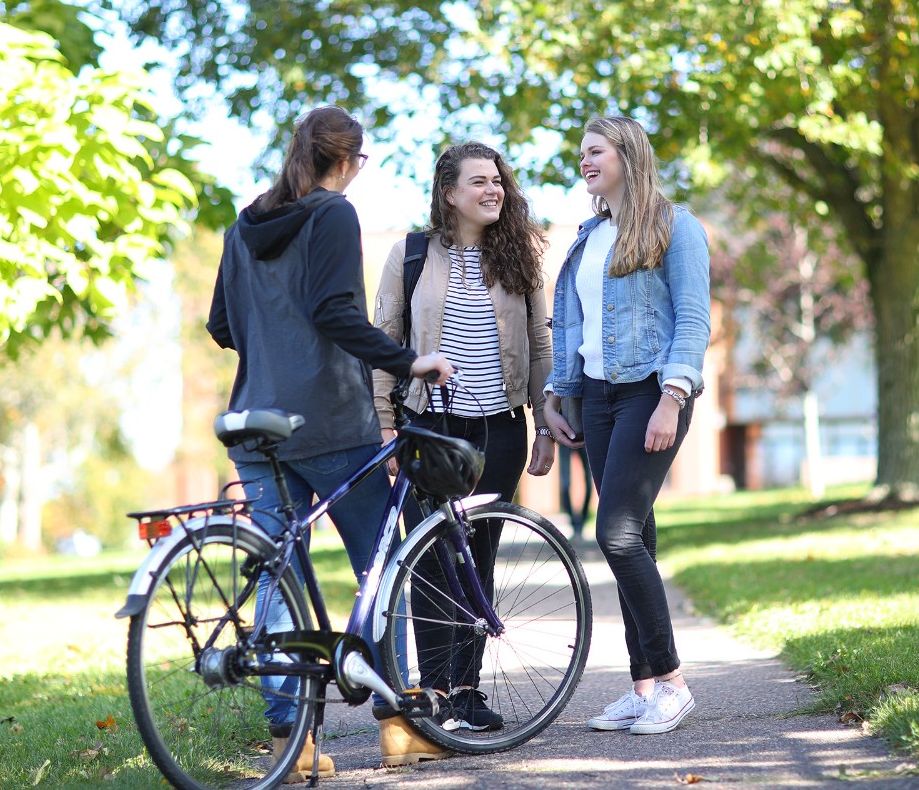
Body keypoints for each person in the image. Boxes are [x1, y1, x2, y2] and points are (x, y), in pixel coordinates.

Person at [206, 105, 455, 779]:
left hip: (254, 421)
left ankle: (293, 742)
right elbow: (334, 313)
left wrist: (270, 342)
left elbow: (220, 324)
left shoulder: (243, 223)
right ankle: (398, 724)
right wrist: (410, 361)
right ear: (346, 158)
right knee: (384, 564)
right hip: (330, 419)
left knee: (277, 570)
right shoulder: (332, 213)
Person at [372, 141, 554, 734]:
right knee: (429, 561)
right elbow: (386, 345)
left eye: (498, 180)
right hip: (430, 427)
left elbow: (541, 343)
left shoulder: (520, 256)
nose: (493, 189)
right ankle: (436, 691)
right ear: (449, 194)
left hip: (499, 428)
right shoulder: (410, 255)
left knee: (480, 555)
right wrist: (384, 425)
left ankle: (469, 690)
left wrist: (545, 425)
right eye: (479, 181)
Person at [542, 115, 711, 736]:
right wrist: (558, 394)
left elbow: (692, 320)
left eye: (595, 150)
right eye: (580, 152)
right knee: (636, 534)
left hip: (651, 391)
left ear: (627, 154)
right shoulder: (589, 237)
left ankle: (671, 681)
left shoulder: (676, 225)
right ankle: (643, 690)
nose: (584, 161)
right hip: (597, 397)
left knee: (614, 534)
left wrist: (672, 396)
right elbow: (572, 326)